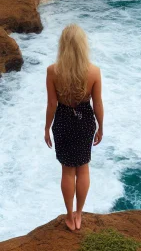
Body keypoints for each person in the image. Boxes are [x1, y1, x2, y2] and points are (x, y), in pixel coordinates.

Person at [44, 23, 104, 231]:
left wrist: (46, 128)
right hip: (85, 121)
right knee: (83, 168)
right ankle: (80, 214)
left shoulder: (53, 71)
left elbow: (52, 104)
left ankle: (69, 217)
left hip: (62, 120)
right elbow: (97, 104)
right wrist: (101, 127)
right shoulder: (94, 72)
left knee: (67, 171)